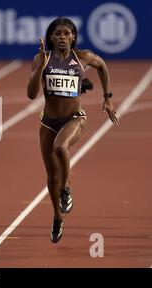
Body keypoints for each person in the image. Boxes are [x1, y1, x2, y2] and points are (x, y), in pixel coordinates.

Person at [27, 17, 119, 243]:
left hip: (74, 118)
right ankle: (58, 217)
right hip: (48, 122)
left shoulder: (83, 57)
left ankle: (66, 189)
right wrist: (40, 66)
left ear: (73, 37)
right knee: (51, 176)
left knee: (61, 147)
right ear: (51, 37)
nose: (62, 38)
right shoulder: (42, 58)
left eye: (67, 34)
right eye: (57, 34)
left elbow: (103, 66)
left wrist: (107, 98)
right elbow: (31, 94)